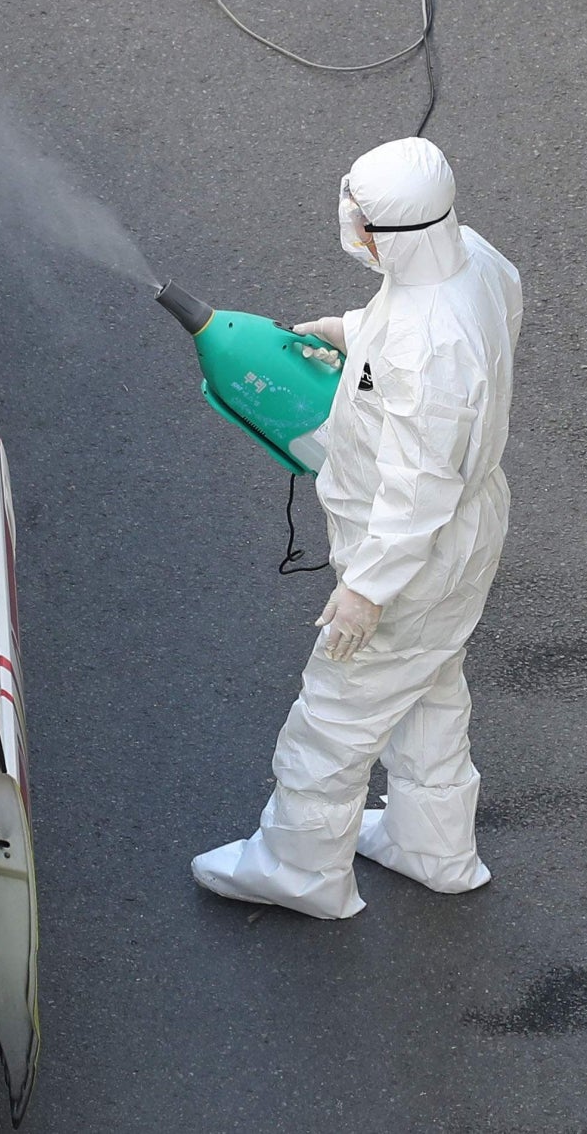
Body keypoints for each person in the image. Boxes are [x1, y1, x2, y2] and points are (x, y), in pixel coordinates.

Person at [191, 136, 523, 919]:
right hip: (460, 537)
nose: (355, 231)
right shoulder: (473, 259)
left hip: (410, 556)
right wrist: (354, 332)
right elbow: (435, 347)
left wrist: (366, 592)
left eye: (362, 220)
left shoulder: (421, 348)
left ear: (389, 232)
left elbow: (418, 488)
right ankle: (433, 844)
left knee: (335, 711)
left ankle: (299, 868)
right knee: (429, 681)